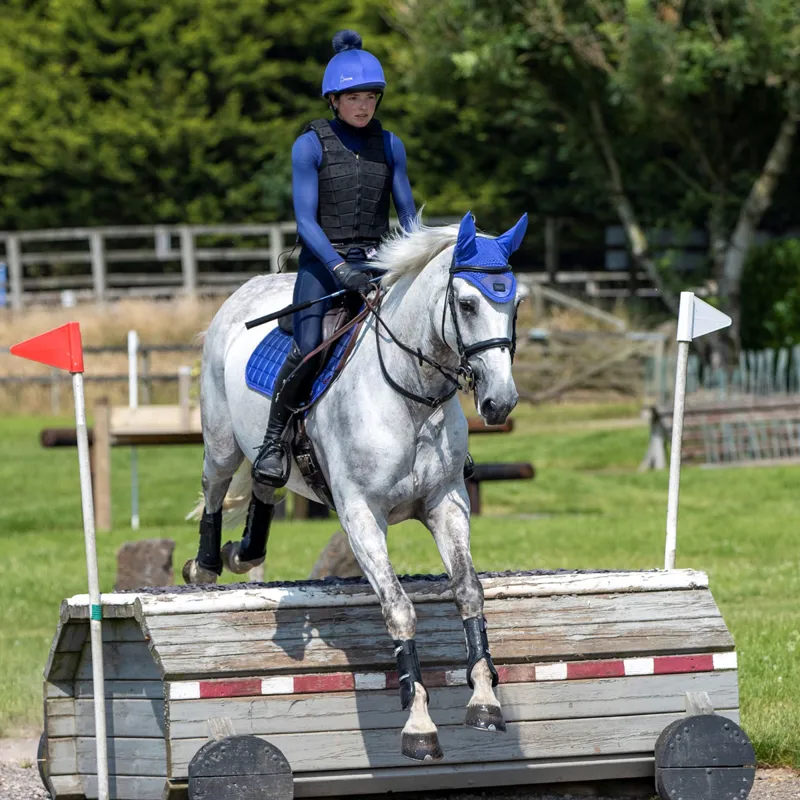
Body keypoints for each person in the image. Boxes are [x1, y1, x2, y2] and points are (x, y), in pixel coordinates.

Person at [252, 29, 417, 487]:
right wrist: (341, 269)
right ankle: (271, 443)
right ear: (333, 99)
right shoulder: (309, 146)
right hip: (324, 265)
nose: (363, 106)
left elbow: (406, 215)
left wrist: (420, 258)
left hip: (380, 263)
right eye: (353, 97)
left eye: (370, 97)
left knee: (428, 335)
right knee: (309, 348)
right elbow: (305, 223)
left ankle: (445, 445)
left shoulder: (391, 145)